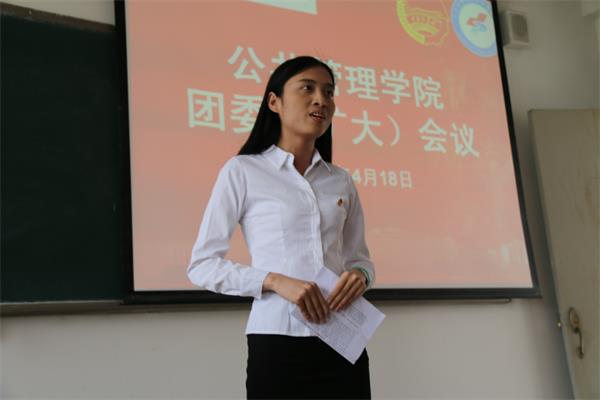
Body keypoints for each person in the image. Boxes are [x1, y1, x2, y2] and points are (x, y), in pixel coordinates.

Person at [187, 56, 375, 399]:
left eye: (329, 92)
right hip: (277, 341)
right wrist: (273, 281)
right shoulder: (243, 170)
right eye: (307, 88)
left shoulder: (341, 180)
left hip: (343, 341)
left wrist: (361, 276)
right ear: (274, 102)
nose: (321, 100)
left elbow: (360, 259)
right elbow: (202, 265)